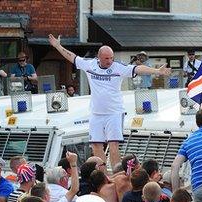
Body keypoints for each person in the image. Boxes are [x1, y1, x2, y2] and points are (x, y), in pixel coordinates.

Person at [48, 34, 171, 170]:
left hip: (114, 112)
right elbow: (72, 57)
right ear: (99, 58)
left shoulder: (118, 67)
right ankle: (103, 175)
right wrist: (58, 46)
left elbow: (138, 69)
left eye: (111, 58)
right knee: (96, 145)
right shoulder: (90, 65)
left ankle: (117, 174)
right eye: (106, 58)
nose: (109, 61)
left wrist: (156, 71)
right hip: (96, 113)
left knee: (113, 145)